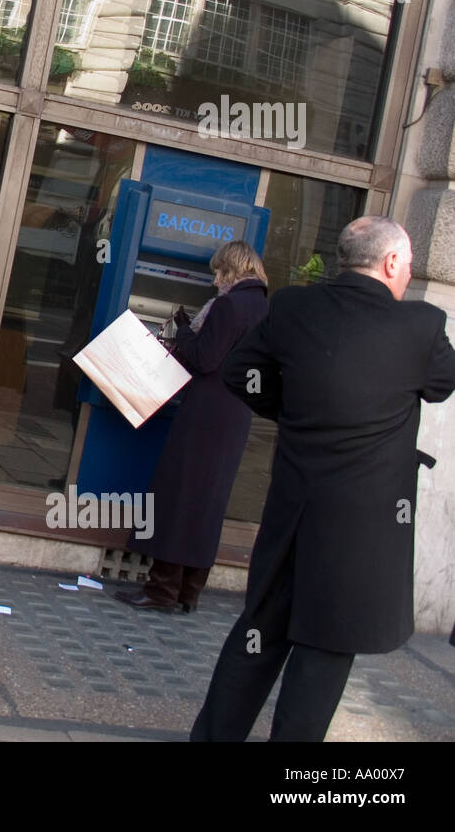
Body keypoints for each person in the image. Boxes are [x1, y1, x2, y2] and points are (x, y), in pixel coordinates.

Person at [192, 216, 455, 742]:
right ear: (392, 263)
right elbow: (441, 386)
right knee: (324, 653)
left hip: (293, 511)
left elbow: (239, 370)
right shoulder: (421, 327)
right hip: (362, 532)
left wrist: (293, 409)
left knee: (258, 634)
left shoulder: (292, 306)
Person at [117, 240, 269, 612]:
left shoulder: (230, 305)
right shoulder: (265, 306)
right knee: (207, 505)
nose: (216, 281)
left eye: (219, 272)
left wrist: (184, 329)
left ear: (234, 270)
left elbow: (204, 359)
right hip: (235, 417)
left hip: (206, 415)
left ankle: (160, 592)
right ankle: (189, 593)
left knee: (179, 499)